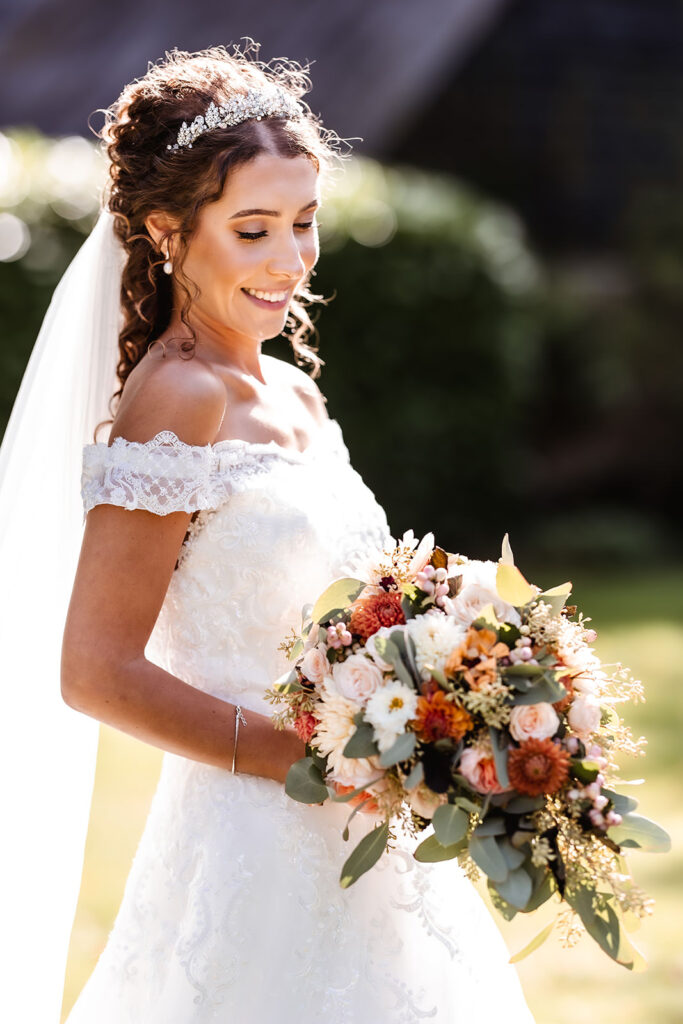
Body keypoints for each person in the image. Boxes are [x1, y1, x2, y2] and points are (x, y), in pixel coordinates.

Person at [3, 41, 537, 1023]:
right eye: (252, 230)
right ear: (167, 231)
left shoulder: (289, 388)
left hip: (371, 838)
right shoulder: (176, 400)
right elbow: (95, 669)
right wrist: (306, 758)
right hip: (246, 836)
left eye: (303, 222)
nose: (289, 260)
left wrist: (447, 667)